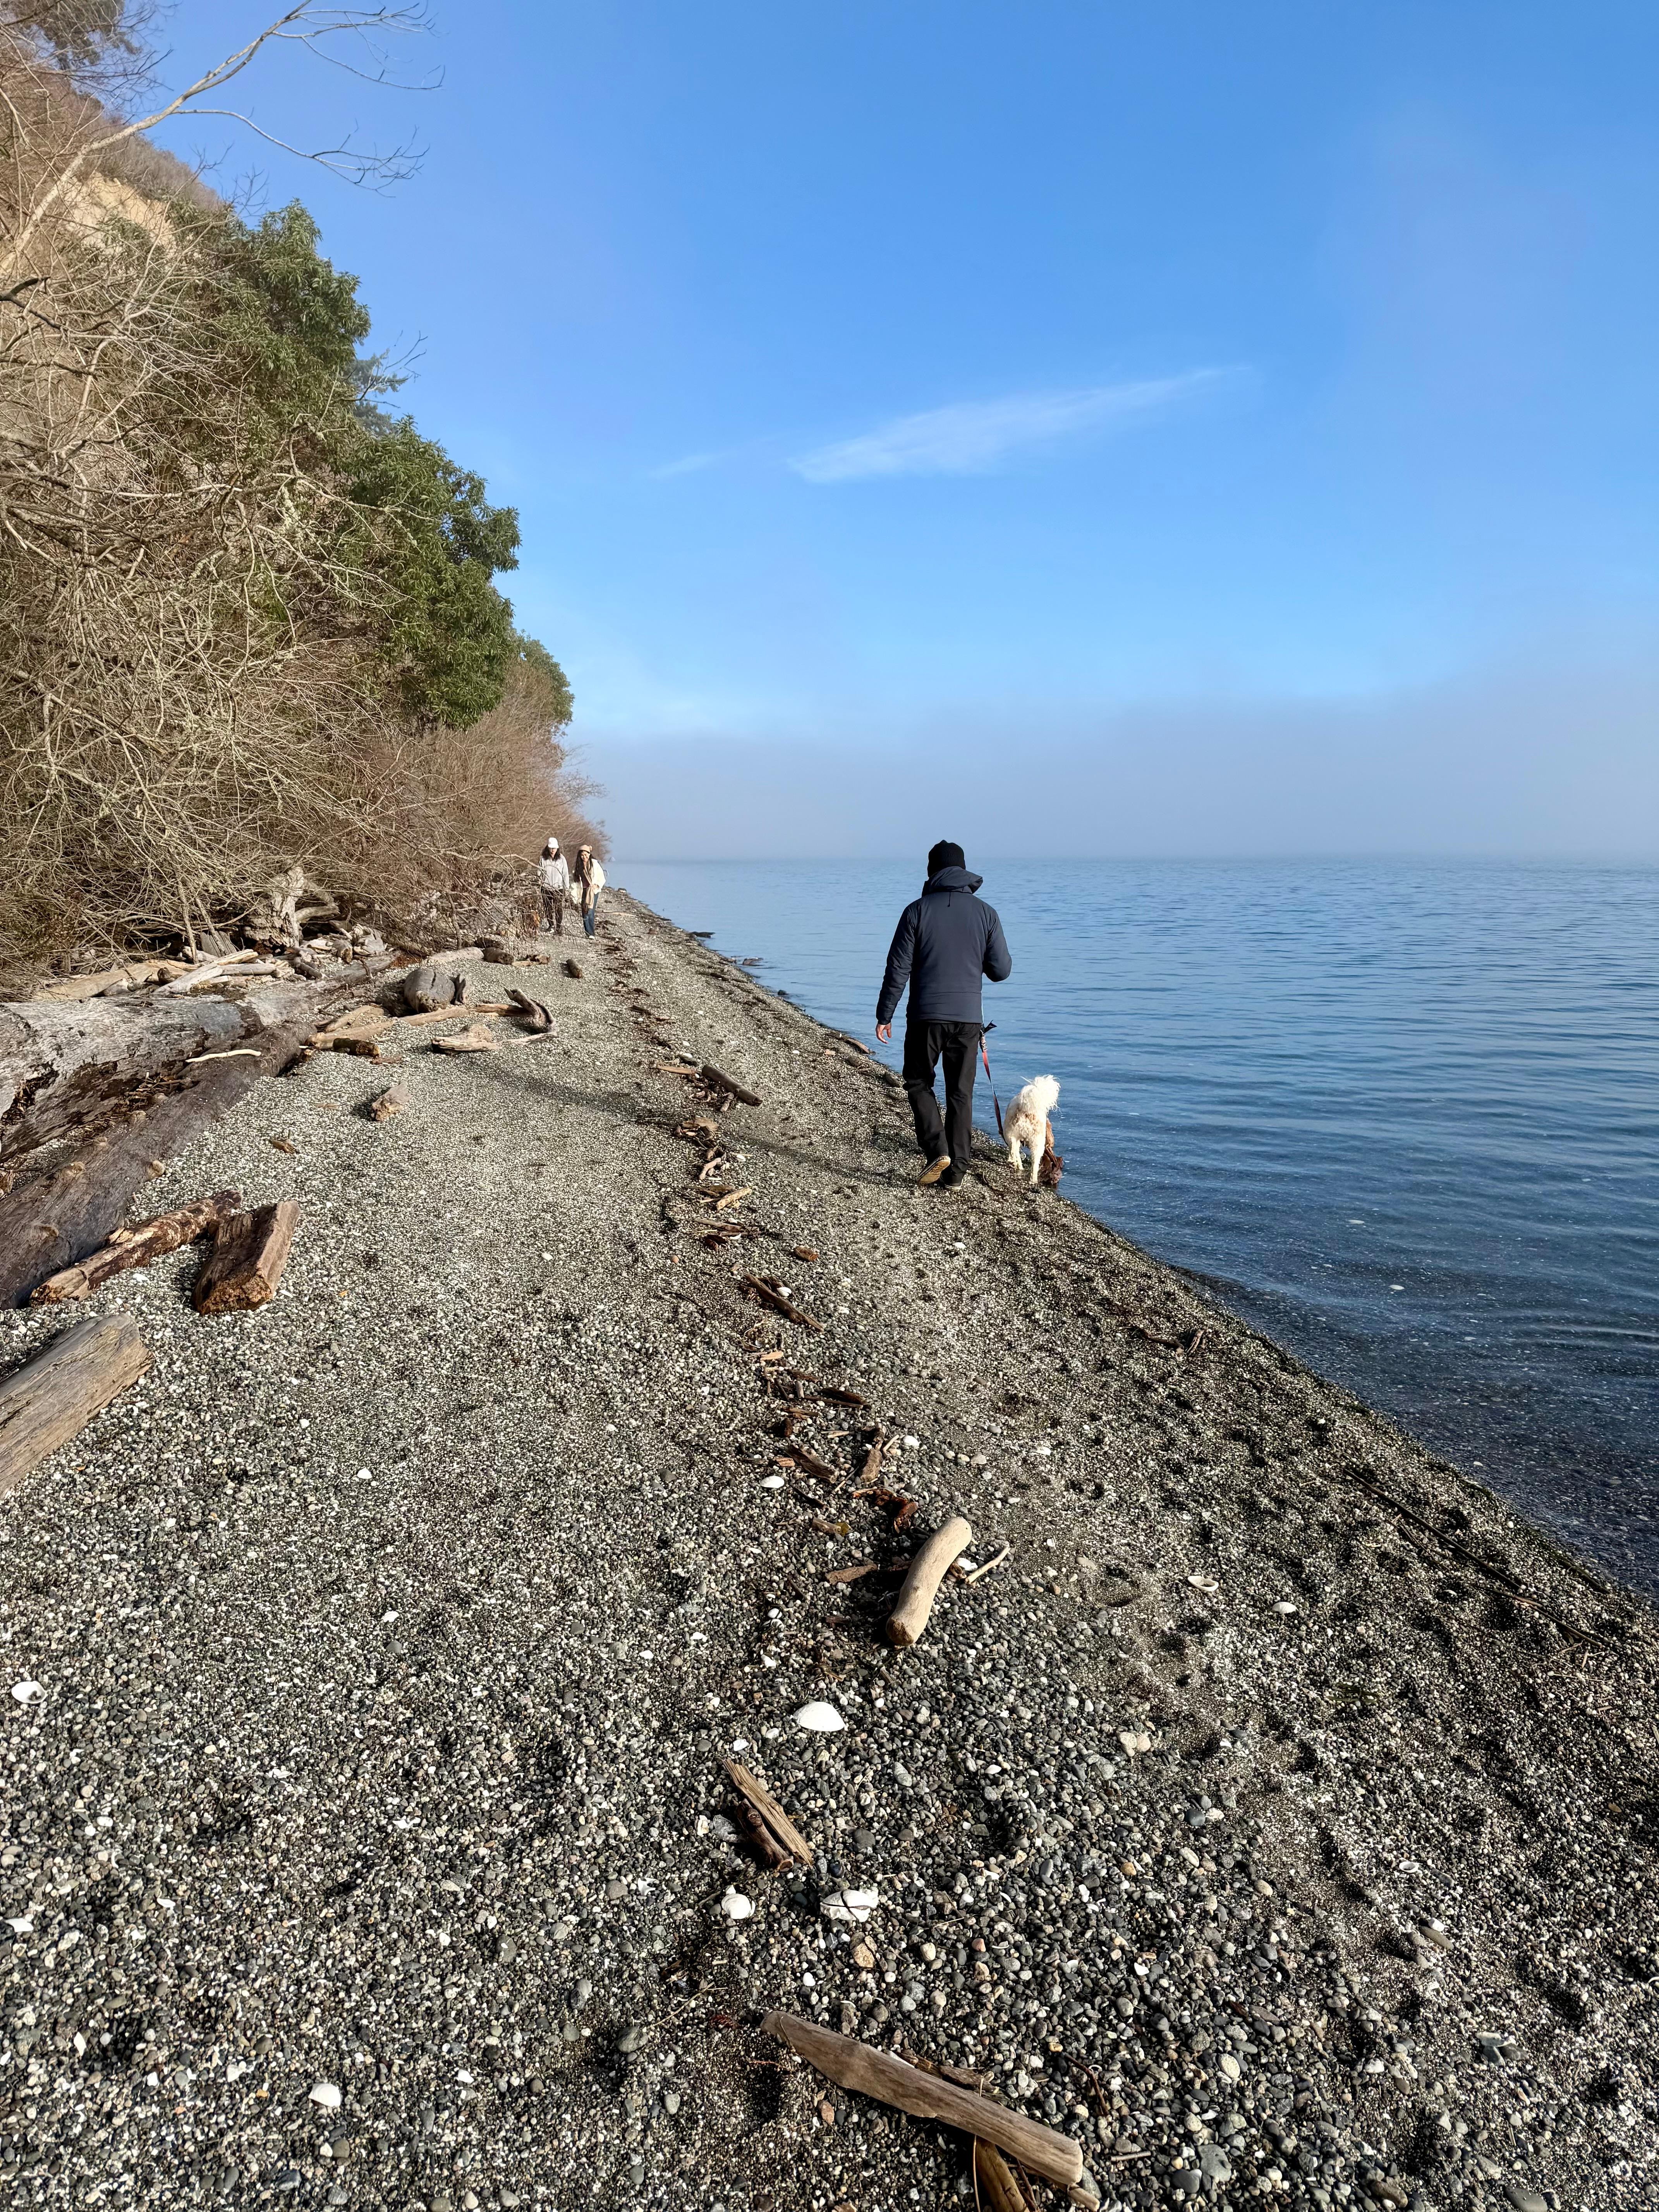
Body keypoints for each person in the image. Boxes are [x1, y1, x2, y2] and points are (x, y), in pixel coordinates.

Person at [876, 839, 1012, 1188]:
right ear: (963, 871)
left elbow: (897, 968)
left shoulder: (916, 911)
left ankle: (937, 1149)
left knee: (919, 1082)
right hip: (968, 1019)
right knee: (960, 1093)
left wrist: (885, 1014)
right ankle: (956, 1172)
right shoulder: (986, 914)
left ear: (932, 872)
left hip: (925, 1017)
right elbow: (1001, 971)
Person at [536, 837, 570, 935]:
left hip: (559, 888)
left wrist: (566, 888)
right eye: (551, 848)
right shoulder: (542, 858)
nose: (553, 850)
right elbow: (539, 872)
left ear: (557, 849)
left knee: (559, 908)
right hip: (546, 887)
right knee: (548, 907)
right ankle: (551, 925)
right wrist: (539, 882)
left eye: (554, 848)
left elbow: (565, 874)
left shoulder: (562, 859)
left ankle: (559, 927)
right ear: (548, 848)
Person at [574, 844, 606, 937]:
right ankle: (588, 932)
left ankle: (591, 933)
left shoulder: (595, 864)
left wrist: (597, 885)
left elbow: (602, 877)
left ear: (589, 854)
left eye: (586, 854)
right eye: (582, 855)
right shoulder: (579, 866)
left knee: (590, 911)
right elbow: (575, 879)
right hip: (583, 891)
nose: (584, 857)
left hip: (593, 891)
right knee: (584, 911)